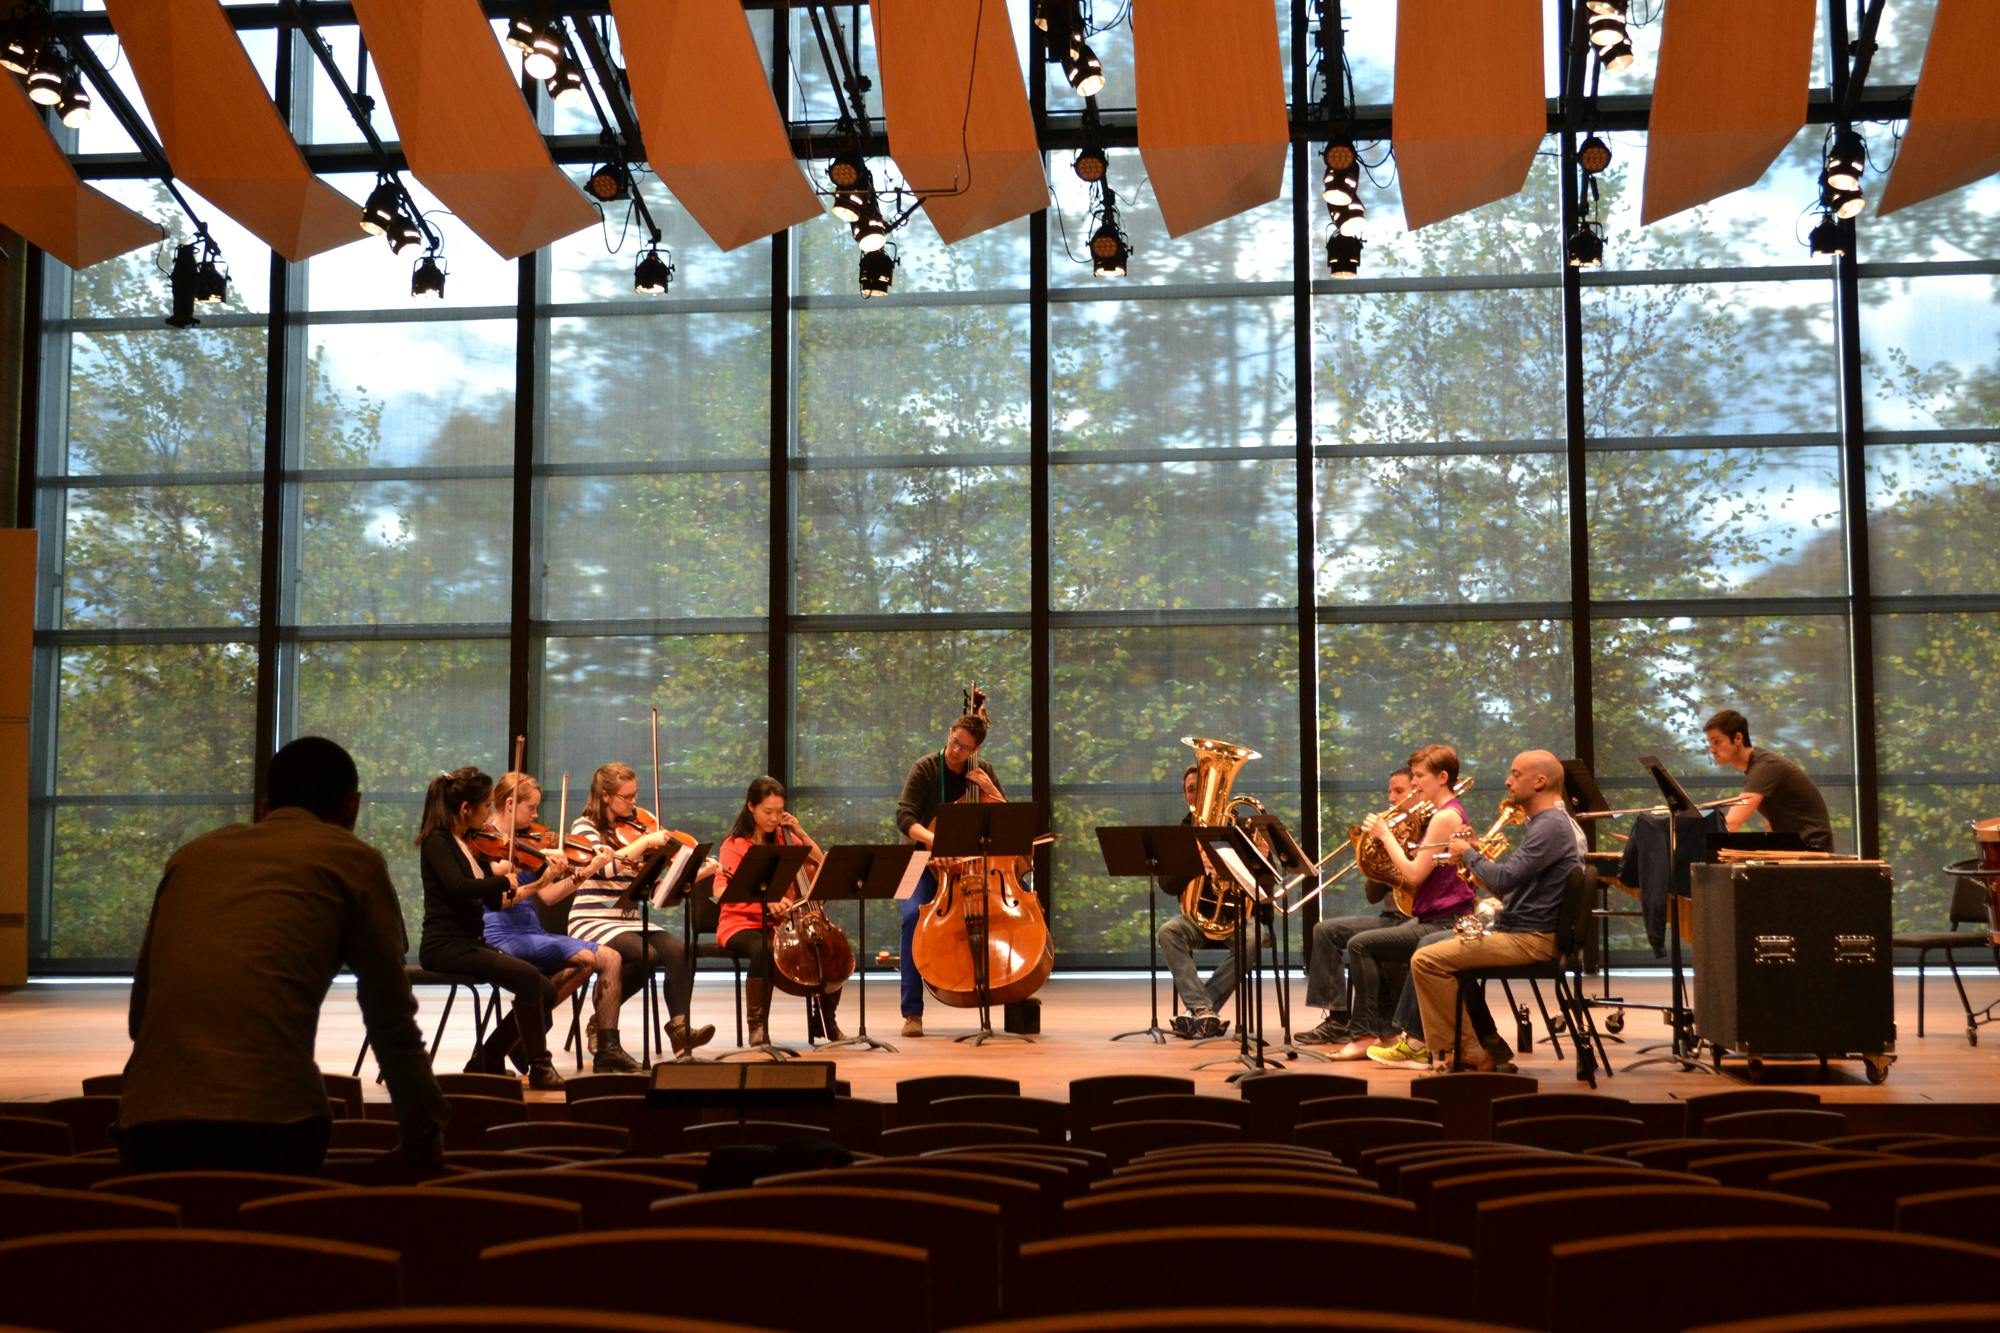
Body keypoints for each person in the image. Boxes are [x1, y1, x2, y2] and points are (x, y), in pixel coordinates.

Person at [119, 736, 447, 1174]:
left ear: (265, 806)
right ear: (353, 806)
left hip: (146, 1127)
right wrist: (424, 1133)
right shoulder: (352, 860)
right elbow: (389, 1018)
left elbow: (140, 1016)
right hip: (272, 1124)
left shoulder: (191, 857)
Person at [1404, 749, 1581, 1073]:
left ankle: (1465, 1050)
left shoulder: (1550, 827)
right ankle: (1484, 1045)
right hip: (1521, 931)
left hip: (1530, 939)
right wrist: (1474, 857)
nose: (1507, 781)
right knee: (1432, 945)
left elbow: (1505, 880)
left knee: (1426, 960)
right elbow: (1507, 886)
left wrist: (1470, 854)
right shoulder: (1547, 824)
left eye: (1515, 774)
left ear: (1540, 781)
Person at [1319, 745, 1476, 1062]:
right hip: (1435, 918)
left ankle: (1372, 1034)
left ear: (1442, 777)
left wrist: (1387, 836)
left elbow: (1416, 875)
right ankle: (1394, 1033)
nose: (1415, 783)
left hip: (1445, 922)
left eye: (1420, 776)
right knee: (1367, 944)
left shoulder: (1444, 816)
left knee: (1361, 945)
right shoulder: (1445, 813)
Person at [416, 767, 564, 1090]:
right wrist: (502, 879)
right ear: (466, 809)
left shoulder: (467, 844)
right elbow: (459, 887)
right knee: (527, 978)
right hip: (445, 946)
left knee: (547, 989)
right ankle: (540, 1067)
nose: (488, 816)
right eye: (485, 807)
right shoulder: (437, 842)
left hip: (471, 943)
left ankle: (487, 1059)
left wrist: (539, 881)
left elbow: (496, 901)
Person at [483, 772, 640, 1073]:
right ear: (510, 803)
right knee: (591, 958)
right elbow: (499, 885)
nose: (536, 815)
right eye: (532, 807)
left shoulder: (529, 840)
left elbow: (552, 895)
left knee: (609, 958)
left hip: (531, 930)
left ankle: (607, 1049)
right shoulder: (487, 842)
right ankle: (516, 1037)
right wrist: (535, 867)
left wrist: (587, 869)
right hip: (501, 932)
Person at [566, 762, 716, 1061]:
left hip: (628, 918)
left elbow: (655, 888)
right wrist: (646, 841)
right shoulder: (584, 827)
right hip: (592, 918)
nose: (634, 803)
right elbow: (606, 868)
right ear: (606, 796)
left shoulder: (637, 828)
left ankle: (679, 1031)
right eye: (627, 797)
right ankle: (601, 1022)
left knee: (677, 950)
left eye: (635, 796)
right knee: (644, 954)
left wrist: (691, 873)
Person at [894, 710, 1008, 1038]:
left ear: (977, 750)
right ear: (949, 733)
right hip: (919, 858)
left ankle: (1014, 989)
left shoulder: (983, 771)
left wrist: (992, 791)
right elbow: (905, 818)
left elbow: (1007, 822)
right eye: (954, 742)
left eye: (965, 748)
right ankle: (912, 1012)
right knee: (913, 915)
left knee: (1023, 896)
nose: (956, 751)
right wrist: (936, 843)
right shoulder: (926, 768)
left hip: (969, 864)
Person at [712, 775, 845, 1048]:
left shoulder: (786, 842)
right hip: (741, 924)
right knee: (762, 948)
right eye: (767, 812)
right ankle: (758, 1029)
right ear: (751, 807)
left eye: (778, 812)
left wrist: (802, 835)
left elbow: (822, 865)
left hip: (781, 922)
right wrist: (765, 901)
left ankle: (827, 1021)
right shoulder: (734, 845)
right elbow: (720, 892)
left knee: (829, 946)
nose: (773, 819)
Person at [1158, 762, 1240, 1039]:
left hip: (1236, 917)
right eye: (1192, 791)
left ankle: (1202, 1010)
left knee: (1254, 938)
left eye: (1204, 789)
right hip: (1196, 919)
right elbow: (1167, 885)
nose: (1198, 796)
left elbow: (1264, 882)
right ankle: (1204, 1011)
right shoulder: (1183, 831)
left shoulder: (1238, 825)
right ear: (1186, 797)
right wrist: (1194, 862)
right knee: (1168, 931)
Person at [1703, 708, 1834, 852]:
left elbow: (1732, 823)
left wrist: (1699, 844)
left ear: (1738, 738)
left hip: (1812, 849)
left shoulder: (1765, 766)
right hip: (1797, 848)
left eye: (1716, 742)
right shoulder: (1758, 766)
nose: (1712, 750)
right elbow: (1770, 824)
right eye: (1710, 743)